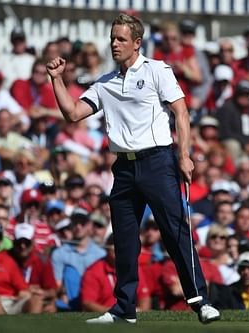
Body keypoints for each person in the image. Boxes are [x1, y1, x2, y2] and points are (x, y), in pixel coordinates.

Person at [46, 13, 220, 324]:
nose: (114, 44)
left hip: (158, 162)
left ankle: (200, 301)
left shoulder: (157, 70)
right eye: (112, 38)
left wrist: (184, 155)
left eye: (121, 39)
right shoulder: (105, 82)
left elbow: (180, 112)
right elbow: (72, 113)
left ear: (137, 43)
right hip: (124, 169)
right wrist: (57, 79)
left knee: (175, 230)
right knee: (125, 240)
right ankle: (124, 308)